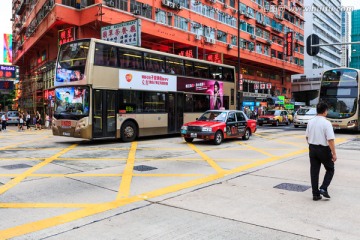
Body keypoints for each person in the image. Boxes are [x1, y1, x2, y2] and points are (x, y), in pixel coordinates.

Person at [305, 102, 337, 201]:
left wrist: (311, 146)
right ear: (325, 111)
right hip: (323, 149)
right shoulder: (326, 123)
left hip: (312, 148)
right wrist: (334, 153)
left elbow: (307, 137)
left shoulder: (310, 121)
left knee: (314, 171)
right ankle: (323, 188)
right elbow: (330, 139)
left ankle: (315, 194)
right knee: (330, 169)